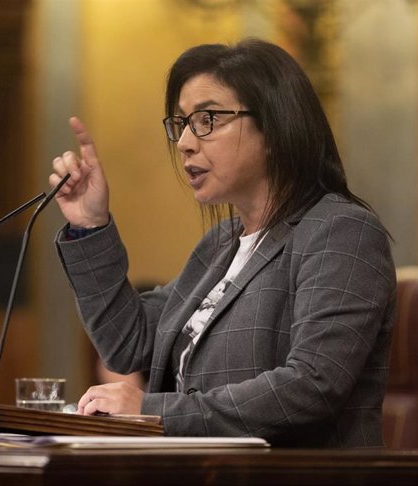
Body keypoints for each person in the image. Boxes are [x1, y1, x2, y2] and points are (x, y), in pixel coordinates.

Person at [48, 38, 396, 448]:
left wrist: (155, 409)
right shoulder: (220, 245)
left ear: (275, 126)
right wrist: (91, 225)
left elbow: (313, 383)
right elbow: (130, 344)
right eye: (182, 123)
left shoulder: (341, 230)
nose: (185, 143)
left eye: (208, 119)